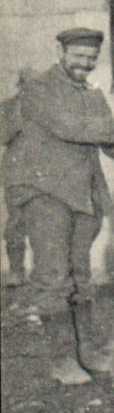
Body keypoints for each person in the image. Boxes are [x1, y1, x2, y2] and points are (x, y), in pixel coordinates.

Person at [2, 28, 114, 384]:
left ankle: (87, 350)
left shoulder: (91, 94)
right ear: (60, 52)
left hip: (84, 197)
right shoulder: (39, 89)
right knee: (53, 277)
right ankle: (62, 358)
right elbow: (69, 127)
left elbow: (104, 139)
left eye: (90, 57)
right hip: (46, 196)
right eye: (78, 56)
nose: (85, 63)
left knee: (81, 277)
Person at [2, 70, 34, 287]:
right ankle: (16, 269)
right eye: (26, 86)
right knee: (16, 223)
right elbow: (3, 136)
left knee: (47, 223)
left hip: (45, 173)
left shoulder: (49, 107)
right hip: (16, 173)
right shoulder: (8, 107)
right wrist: (20, 114)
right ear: (19, 86)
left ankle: (44, 271)